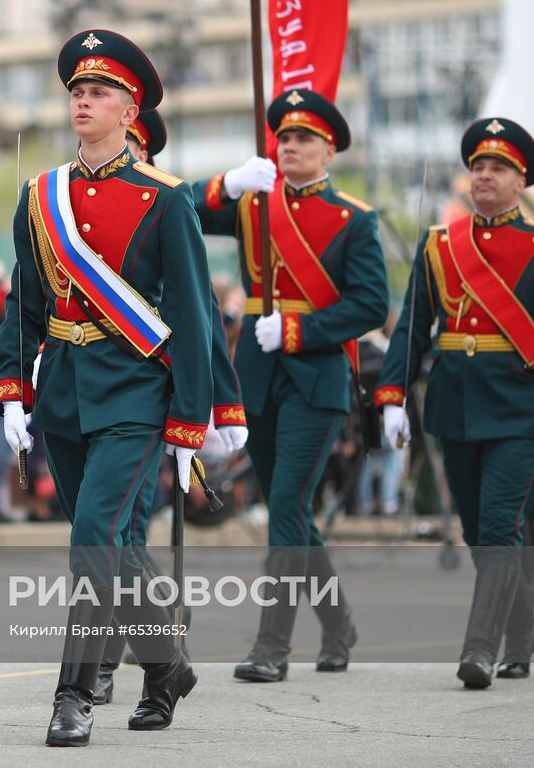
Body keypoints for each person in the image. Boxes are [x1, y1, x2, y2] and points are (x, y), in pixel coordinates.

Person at [0, 29, 214, 746]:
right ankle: (164, 661)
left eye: (100, 93)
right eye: (77, 92)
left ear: (130, 110)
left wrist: (189, 418)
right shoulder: (40, 196)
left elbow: (191, 313)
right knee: (116, 546)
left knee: (94, 537)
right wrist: (10, 388)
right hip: (62, 388)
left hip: (135, 393)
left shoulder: (165, 199)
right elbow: (24, 302)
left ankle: (73, 694)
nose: (84, 101)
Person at [375, 117, 534, 688]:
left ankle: (479, 649)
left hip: (520, 408)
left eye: (497, 168)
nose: (484, 177)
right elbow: (413, 328)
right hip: (454, 404)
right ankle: (523, 634)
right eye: (477, 168)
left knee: (500, 526)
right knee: (478, 531)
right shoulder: (439, 243)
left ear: (520, 182)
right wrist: (393, 394)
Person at [191, 89, 387, 683]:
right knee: (291, 509)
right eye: (285, 138)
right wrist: (226, 183)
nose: (291, 146)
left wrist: (300, 328)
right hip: (257, 370)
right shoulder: (254, 204)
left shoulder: (354, 218)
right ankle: (338, 624)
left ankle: (271, 647)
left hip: (317, 374)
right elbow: (182, 214)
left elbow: (371, 302)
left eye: (305, 139)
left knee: (287, 507)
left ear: (329, 149)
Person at [94, 108, 249, 707]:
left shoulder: (164, 210)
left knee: (120, 528)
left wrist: (222, 407)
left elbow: (200, 317)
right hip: (87, 390)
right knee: (118, 532)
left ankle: (109, 657)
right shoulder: (71, 207)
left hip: (150, 392)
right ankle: (154, 638)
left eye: (135, 145)